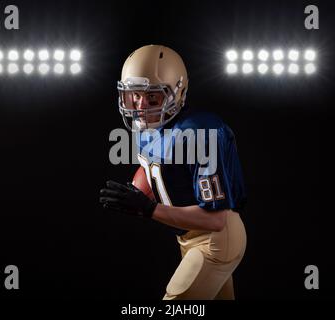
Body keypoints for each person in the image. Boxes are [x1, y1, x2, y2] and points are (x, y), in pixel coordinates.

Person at [99, 44, 247, 300]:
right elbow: (162, 166)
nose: (141, 106)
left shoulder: (202, 133)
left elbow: (215, 219)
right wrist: (143, 188)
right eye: (134, 95)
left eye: (153, 97)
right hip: (188, 240)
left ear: (178, 92)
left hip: (215, 240)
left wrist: (148, 208)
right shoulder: (148, 128)